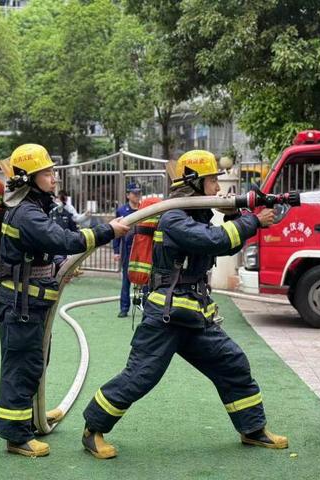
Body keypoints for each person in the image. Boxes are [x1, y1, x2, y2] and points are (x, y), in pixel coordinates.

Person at [82, 150, 287, 459]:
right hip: (167, 317)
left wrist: (240, 214)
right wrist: (253, 221)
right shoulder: (174, 217)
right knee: (140, 376)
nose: (218, 189)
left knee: (232, 363)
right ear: (194, 182)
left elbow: (226, 241)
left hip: (194, 315)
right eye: (212, 181)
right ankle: (92, 429)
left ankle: (252, 429)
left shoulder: (196, 214)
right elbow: (211, 240)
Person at [0, 143, 129, 458]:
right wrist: (107, 231)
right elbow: (62, 239)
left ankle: (32, 418)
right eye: (48, 173)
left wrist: (56, 268)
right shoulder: (26, 212)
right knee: (21, 367)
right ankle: (16, 436)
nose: (54, 179)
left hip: (32, 305)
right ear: (28, 178)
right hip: (21, 307)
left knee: (34, 362)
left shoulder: (32, 208)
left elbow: (33, 255)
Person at [113, 182, 142, 317]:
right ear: (128, 195)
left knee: (145, 277)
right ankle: (124, 309)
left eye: (139, 193)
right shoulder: (122, 211)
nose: (137, 196)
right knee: (126, 280)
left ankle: (147, 308)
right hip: (128, 249)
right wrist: (116, 251)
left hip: (142, 249)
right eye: (134, 193)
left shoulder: (144, 209)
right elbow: (116, 232)